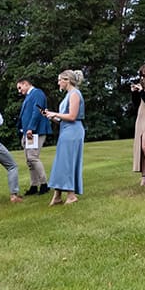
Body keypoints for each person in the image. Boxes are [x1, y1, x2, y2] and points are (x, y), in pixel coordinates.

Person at [45, 70, 85, 205]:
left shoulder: (74, 94)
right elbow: (64, 118)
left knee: (67, 162)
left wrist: (55, 113)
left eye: (59, 80)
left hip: (73, 131)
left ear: (67, 80)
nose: (58, 83)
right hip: (66, 130)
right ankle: (57, 195)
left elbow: (72, 116)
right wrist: (51, 116)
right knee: (61, 162)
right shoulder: (68, 95)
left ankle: (71, 195)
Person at [15, 76, 52, 195]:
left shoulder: (37, 93)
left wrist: (31, 127)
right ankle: (34, 185)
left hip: (36, 131)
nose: (19, 91)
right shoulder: (29, 96)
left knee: (33, 157)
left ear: (26, 84)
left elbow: (37, 111)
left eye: (20, 88)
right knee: (29, 161)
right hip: (29, 132)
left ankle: (44, 184)